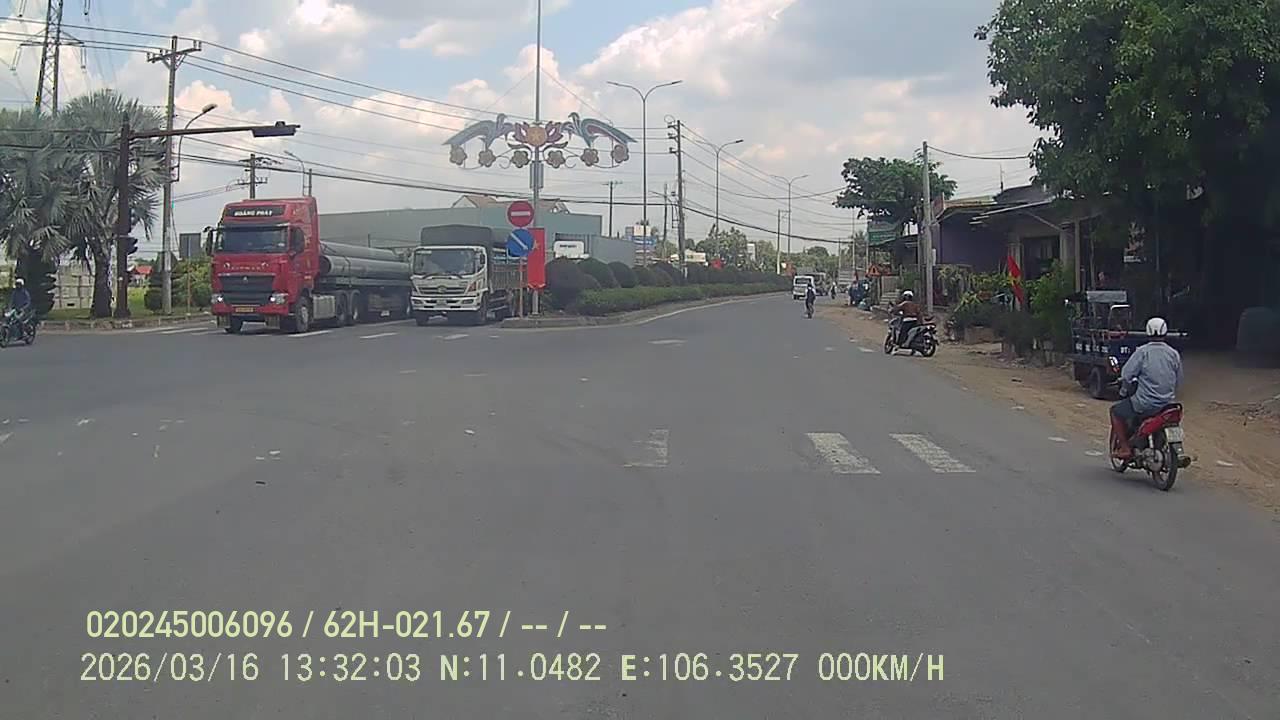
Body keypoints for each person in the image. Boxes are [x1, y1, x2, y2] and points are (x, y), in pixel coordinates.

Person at [1110, 317, 1182, 459]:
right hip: (1168, 404)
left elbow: (1126, 375)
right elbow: (1179, 380)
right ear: (1165, 331)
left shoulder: (1142, 352)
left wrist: (1123, 391)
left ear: (1148, 331)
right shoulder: (1174, 354)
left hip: (1145, 403)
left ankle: (1125, 448)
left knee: (1115, 412)